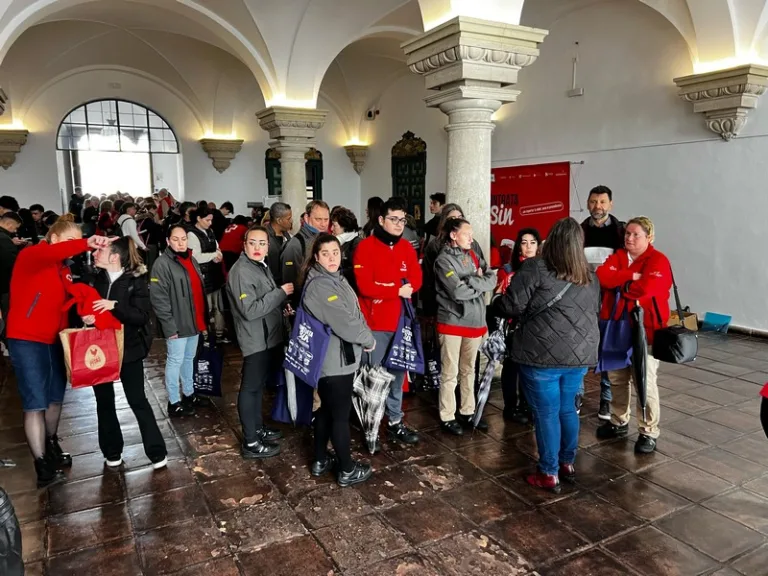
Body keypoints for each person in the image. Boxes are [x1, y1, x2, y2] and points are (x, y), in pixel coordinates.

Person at [493, 217, 600, 493]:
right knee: (567, 409)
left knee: (546, 413)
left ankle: (549, 471)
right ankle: (567, 463)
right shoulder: (589, 275)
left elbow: (512, 306)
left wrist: (496, 302)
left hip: (541, 355)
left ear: (549, 240)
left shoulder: (535, 268)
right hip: (579, 356)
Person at [6, 214, 113, 488]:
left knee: (55, 397)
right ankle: (41, 463)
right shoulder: (32, 255)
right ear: (53, 239)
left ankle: (51, 445)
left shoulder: (63, 268)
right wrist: (86, 243)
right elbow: (58, 252)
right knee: (35, 402)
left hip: (55, 338)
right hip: (27, 338)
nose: (73, 247)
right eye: (69, 241)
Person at [81, 237, 168, 469]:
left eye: (101, 251)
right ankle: (112, 451)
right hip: (99, 350)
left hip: (128, 348)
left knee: (137, 400)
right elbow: (79, 305)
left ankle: (157, 452)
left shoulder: (134, 281)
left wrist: (115, 306)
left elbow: (141, 316)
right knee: (104, 401)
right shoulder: (92, 279)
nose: (96, 254)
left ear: (115, 257)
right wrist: (85, 317)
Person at [302, 233, 376, 486]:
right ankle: (346, 469)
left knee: (326, 411)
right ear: (316, 257)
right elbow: (344, 321)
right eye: (326, 254)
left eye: (335, 252)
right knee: (340, 417)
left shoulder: (333, 278)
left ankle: (321, 460)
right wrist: (368, 339)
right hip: (333, 362)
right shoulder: (321, 285)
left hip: (336, 358)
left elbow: (352, 313)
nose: (332, 258)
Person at [595, 216, 672, 454]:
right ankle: (619, 421)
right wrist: (631, 277)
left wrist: (622, 284)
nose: (629, 238)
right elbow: (602, 275)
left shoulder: (658, 260)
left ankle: (648, 431)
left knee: (644, 381)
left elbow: (648, 289)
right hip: (616, 328)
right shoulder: (618, 257)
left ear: (649, 237)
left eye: (635, 234)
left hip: (645, 331)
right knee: (617, 379)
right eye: (627, 233)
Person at [354, 197, 422, 449]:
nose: (398, 224)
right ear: (381, 220)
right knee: (373, 377)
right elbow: (365, 286)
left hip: (401, 322)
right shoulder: (365, 247)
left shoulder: (406, 247)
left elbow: (416, 278)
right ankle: (370, 424)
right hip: (375, 323)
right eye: (393, 219)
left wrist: (398, 288)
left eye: (402, 219)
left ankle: (395, 422)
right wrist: (396, 289)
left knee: (396, 374)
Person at [227, 226, 293, 459]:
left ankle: (257, 428)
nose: (258, 248)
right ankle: (251, 442)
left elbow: (265, 296)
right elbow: (250, 310)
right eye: (253, 243)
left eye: (262, 243)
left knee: (258, 388)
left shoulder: (259, 265)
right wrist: (281, 294)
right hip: (255, 339)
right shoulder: (241, 271)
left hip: (268, 337)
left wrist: (280, 304)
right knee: (250, 388)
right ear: (244, 245)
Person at [434, 218, 497, 435]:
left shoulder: (473, 254)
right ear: (453, 235)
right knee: (450, 372)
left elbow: (492, 279)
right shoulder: (443, 260)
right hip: (452, 322)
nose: (471, 238)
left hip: (475, 322)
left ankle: (468, 411)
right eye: (466, 234)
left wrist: (470, 281)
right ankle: (447, 415)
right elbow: (457, 292)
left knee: (469, 370)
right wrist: (476, 282)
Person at [150, 224, 210, 417]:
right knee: (175, 361)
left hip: (193, 321)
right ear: (168, 241)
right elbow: (159, 299)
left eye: (183, 239)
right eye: (175, 239)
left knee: (189, 359)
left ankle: (189, 393)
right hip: (177, 323)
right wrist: (169, 326)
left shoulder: (191, 260)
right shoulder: (162, 264)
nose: (180, 243)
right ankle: (174, 401)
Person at [581, 185, 626, 420]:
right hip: (583, 301)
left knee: (607, 349)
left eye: (602, 202)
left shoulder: (621, 232)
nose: (597, 207)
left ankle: (606, 401)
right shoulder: (578, 231)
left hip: (611, 302)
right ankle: (577, 395)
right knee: (580, 346)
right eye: (593, 202)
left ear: (610, 204)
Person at [497, 228, 541, 423]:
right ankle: (510, 406)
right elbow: (501, 300)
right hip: (514, 326)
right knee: (512, 367)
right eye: (524, 242)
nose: (528, 246)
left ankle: (526, 404)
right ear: (518, 246)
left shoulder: (544, 269)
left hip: (535, 328)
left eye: (532, 242)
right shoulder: (509, 270)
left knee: (530, 369)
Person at [186, 206, 227, 340]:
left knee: (218, 307)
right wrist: (215, 255)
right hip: (203, 277)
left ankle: (219, 333)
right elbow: (195, 257)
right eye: (207, 220)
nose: (210, 223)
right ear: (198, 218)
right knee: (206, 308)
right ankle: (205, 335)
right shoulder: (191, 234)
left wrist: (217, 254)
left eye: (211, 220)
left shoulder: (210, 232)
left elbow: (217, 247)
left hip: (215, 275)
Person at [280, 200, 330, 301]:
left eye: (326, 219)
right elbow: (290, 283)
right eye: (318, 219)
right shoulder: (295, 245)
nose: (323, 224)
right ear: (306, 218)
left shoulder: (324, 239)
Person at [331, 207, 362, 292]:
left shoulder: (357, 244)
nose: (331, 229)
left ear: (344, 226)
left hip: (352, 291)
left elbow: (356, 270)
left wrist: (335, 273)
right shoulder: (338, 243)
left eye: (334, 225)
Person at [266, 201, 293, 284]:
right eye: (288, 219)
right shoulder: (266, 240)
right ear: (279, 220)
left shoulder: (286, 234)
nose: (291, 221)